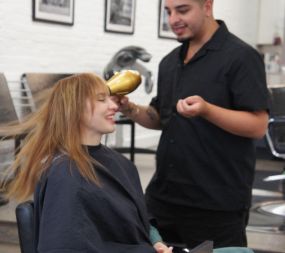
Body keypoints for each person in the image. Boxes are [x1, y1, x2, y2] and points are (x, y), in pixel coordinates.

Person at [117, 0, 269, 249]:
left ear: (207, 6)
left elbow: (257, 125)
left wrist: (207, 110)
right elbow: (160, 118)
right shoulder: (169, 62)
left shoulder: (241, 57)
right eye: (169, 11)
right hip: (164, 197)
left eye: (182, 10)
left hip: (216, 203)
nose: (173, 19)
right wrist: (129, 108)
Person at [1, 73, 173, 253]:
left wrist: (156, 242)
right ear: (75, 108)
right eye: (102, 100)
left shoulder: (123, 164)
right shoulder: (65, 174)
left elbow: (141, 218)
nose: (114, 106)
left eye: (111, 99)